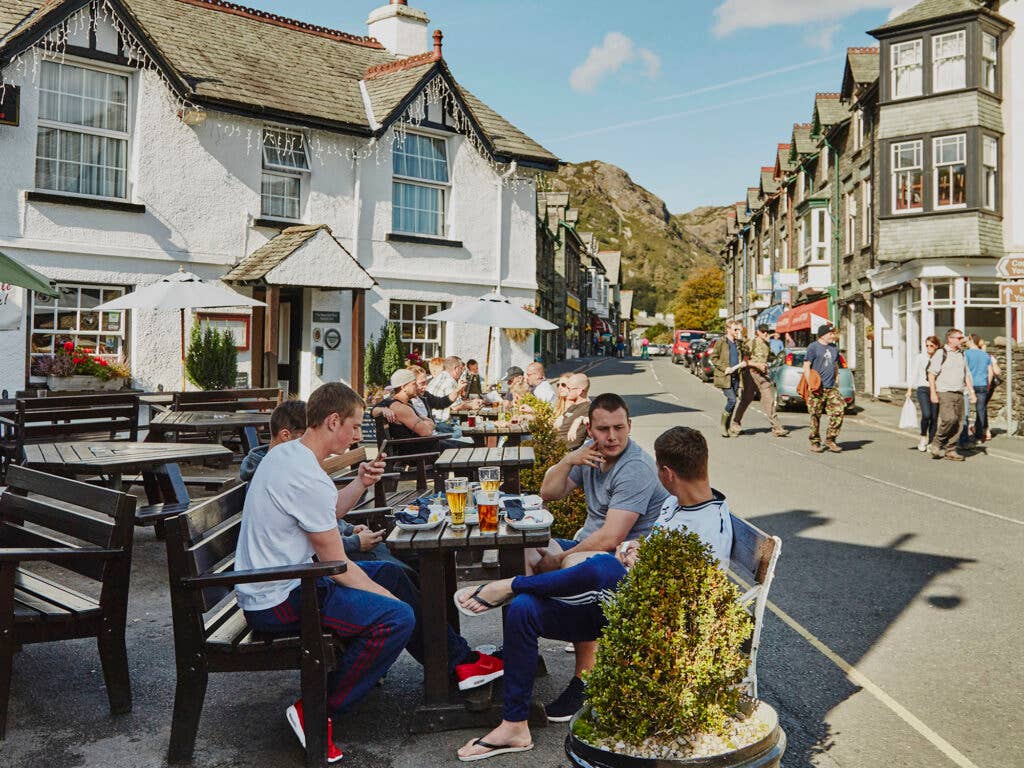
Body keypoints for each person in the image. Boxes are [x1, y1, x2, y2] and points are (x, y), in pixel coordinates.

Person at [235, 383, 501, 760]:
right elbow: (337, 564)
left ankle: (457, 664)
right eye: (356, 426)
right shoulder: (302, 471)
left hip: (291, 580)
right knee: (395, 616)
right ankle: (316, 710)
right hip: (279, 597)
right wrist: (389, 602)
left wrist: (360, 481)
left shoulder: (294, 456)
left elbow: (328, 516)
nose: (360, 434)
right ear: (332, 421)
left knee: (392, 576)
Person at [454, 426, 732, 762]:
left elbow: (688, 599)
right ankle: (514, 724)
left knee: (601, 568)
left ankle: (509, 585)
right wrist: (633, 550)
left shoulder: (710, 529)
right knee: (524, 610)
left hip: (651, 619)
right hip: (623, 597)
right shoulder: (675, 503)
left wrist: (631, 565)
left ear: (667, 473)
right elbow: (650, 547)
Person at [528, 393, 668, 719]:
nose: (612, 436)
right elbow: (548, 494)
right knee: (521, 551)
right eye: (603, 429)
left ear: (630, 425)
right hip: (592, 549)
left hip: (625, 561)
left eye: (619, 427)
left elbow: (611, 538)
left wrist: (560, 559)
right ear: (591, 429)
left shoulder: (634, 467)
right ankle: (526, 648)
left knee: (575, 566)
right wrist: (567, 461)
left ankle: (585, 679)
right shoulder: (591, 455)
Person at [730, 324, 788, 437]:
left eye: (767, 331)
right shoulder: (752, 343)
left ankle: (776, 427)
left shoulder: (767, 344)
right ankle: (735, 423)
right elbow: (745, 361)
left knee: (769, 399)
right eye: (763, 331)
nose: (765, 333)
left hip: (761, 375)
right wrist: (758, 365)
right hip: (750, 373)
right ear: (758, 332)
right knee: (747, 399)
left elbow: (769, 358)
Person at [928, 328, 976, 461]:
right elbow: (932, 374)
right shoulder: (940, 353)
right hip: (945, 391)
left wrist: (971, 392)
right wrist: (933, 392)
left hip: (959, 392)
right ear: (950, 339)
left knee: (960, 423)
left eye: (962, 338)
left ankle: (951, 450)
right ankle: (937, 443)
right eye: (959, 338)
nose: (962, 340)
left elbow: (966, 374)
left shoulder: (962, 354)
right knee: (949, 419)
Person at [239, 399, 307, 482]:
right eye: (306, 436)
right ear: (285, 435)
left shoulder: (262, 465)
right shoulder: (275, 476)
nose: (311, 443)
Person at [804, 323, 845, 453]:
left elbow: (835, 364)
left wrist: (837, 377)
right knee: (815, 415)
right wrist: (810, 382)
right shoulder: (813, 347)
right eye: (831, 333)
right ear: (823, 335)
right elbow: (806, 365)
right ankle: (815, 442)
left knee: (839, 410)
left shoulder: (834, 348)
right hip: (817, 387)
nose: (833, 336)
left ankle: (830, 439)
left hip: (831, 387)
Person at [711, 320, 747, 438]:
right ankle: (723, 426)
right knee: (732, 400)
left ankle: (727, 427)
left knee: (731, 402)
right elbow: (714, 358)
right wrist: (724, 368)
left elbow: (746, 353)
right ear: (728, 329)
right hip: (724, 377)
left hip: (736, 376)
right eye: (735, 329)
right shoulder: (721, 342)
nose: (737, 332)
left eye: (739, 330)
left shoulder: (738, 343)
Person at [907, 336, 941, 451]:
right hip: (922, 389)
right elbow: (914, 373)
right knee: (926, 414)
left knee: (934, 417)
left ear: (936, 346)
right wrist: (909, 389)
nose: (929, 348)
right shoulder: (920, 357)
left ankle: (932, 441)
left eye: (931, 345)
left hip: (936, 389)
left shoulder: (940, 357)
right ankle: (923, 436)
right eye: (927, 345)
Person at [960, 334, 993, 447]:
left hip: (969, 385)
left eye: (966, 339)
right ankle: (979, 437)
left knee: (965, 411)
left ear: (971, 340)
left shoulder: (966, 354)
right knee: (981, 410)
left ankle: (963, 436)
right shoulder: (985, 355)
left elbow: (964, 370)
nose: (965, 342)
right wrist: (987, 385)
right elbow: (990, 372)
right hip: (982, 385)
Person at [425, 356, 472, 421]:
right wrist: (471, 405)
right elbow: (456, 406)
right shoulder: (450, 381)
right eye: (461, 368)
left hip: (431, 418)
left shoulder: (438, 377)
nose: (462, 372)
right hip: (440, 422)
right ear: (456, 369)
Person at [553, 372, 591, 449]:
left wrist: (579, 420)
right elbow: (557, 424)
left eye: (569, 388)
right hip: (553, 447)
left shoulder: (589, 408)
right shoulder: (572, 406)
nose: (566, 390)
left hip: (567, 454)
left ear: (579, 391)